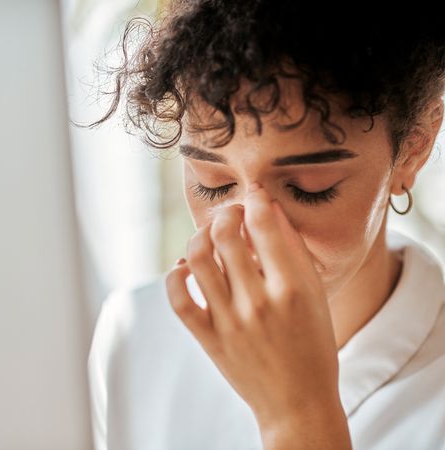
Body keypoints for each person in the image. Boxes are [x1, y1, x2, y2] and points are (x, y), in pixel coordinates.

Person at [79, 0, 445, 448]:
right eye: (213, 184)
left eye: (309, 188)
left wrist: (300, 418)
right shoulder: (137, 333)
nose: (247, 231)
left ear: (412, 149)